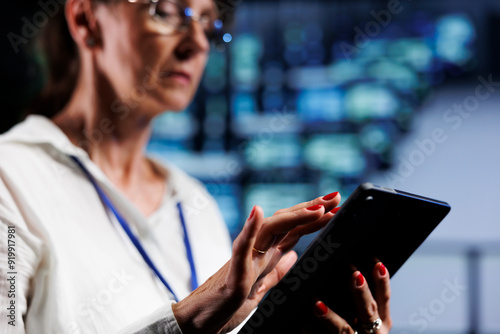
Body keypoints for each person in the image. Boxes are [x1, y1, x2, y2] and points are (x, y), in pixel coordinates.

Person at [0, 0, 393, 333]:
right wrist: (191, 319)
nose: (196, 43)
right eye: (168, 11)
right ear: (86, 19)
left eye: (208, 23)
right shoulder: (11, 174)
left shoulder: (194, 201)